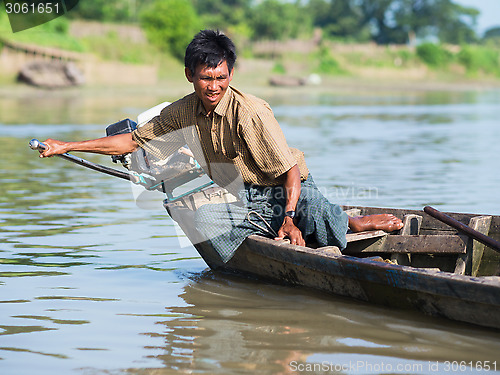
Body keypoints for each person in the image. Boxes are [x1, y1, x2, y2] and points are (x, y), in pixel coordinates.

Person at [40, 29, 403, 263]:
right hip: (240, 193)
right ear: (190, 76)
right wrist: (68, 145)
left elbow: (290, 171)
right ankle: (280, 237)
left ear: (230, 75)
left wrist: (289, 217)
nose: (213, 87)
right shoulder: (182, 109)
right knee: (194, 215)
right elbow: (133, 139)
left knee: (309, 210)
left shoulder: (251, 113)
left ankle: (348, 222)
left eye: (221, 78)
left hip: (285, 190)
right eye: (205, 78)